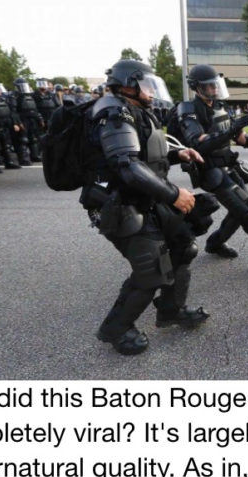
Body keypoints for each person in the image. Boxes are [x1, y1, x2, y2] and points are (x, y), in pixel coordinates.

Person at [82, 59, 209, 355]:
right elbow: (127, 166)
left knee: (183, 247)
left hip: (144, 198)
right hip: (120, 204)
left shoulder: (133, 110)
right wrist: (174, 194)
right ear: (128, 85)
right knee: (151, 270)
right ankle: (116, 328)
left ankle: (170, 310)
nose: (151, 92)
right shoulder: (113, 113)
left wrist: (179, 155)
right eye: (146, 85)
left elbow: (146, 155)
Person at [173, 64, 248, 261]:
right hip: (210, 171)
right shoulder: (188, 109)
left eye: (216, 85)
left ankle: (215, 243)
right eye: (210, 86)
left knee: (241, 210)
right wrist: (231, 131)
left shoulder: (220, 107)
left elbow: (240, 137)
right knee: (247, 210)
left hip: (228, 166)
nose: (214, 89)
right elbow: (198, 144)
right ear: (197, 87)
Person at [13, 77, 44, 162]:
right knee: (23, 139)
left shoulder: (30, 96)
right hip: (23, 120)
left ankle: (35, 155)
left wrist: (39, 119)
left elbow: (35, 109)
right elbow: (14, 112)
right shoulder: (16, 97)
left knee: (34, 138)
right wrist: (18, 122)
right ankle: (24, 158)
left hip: (32, 120)